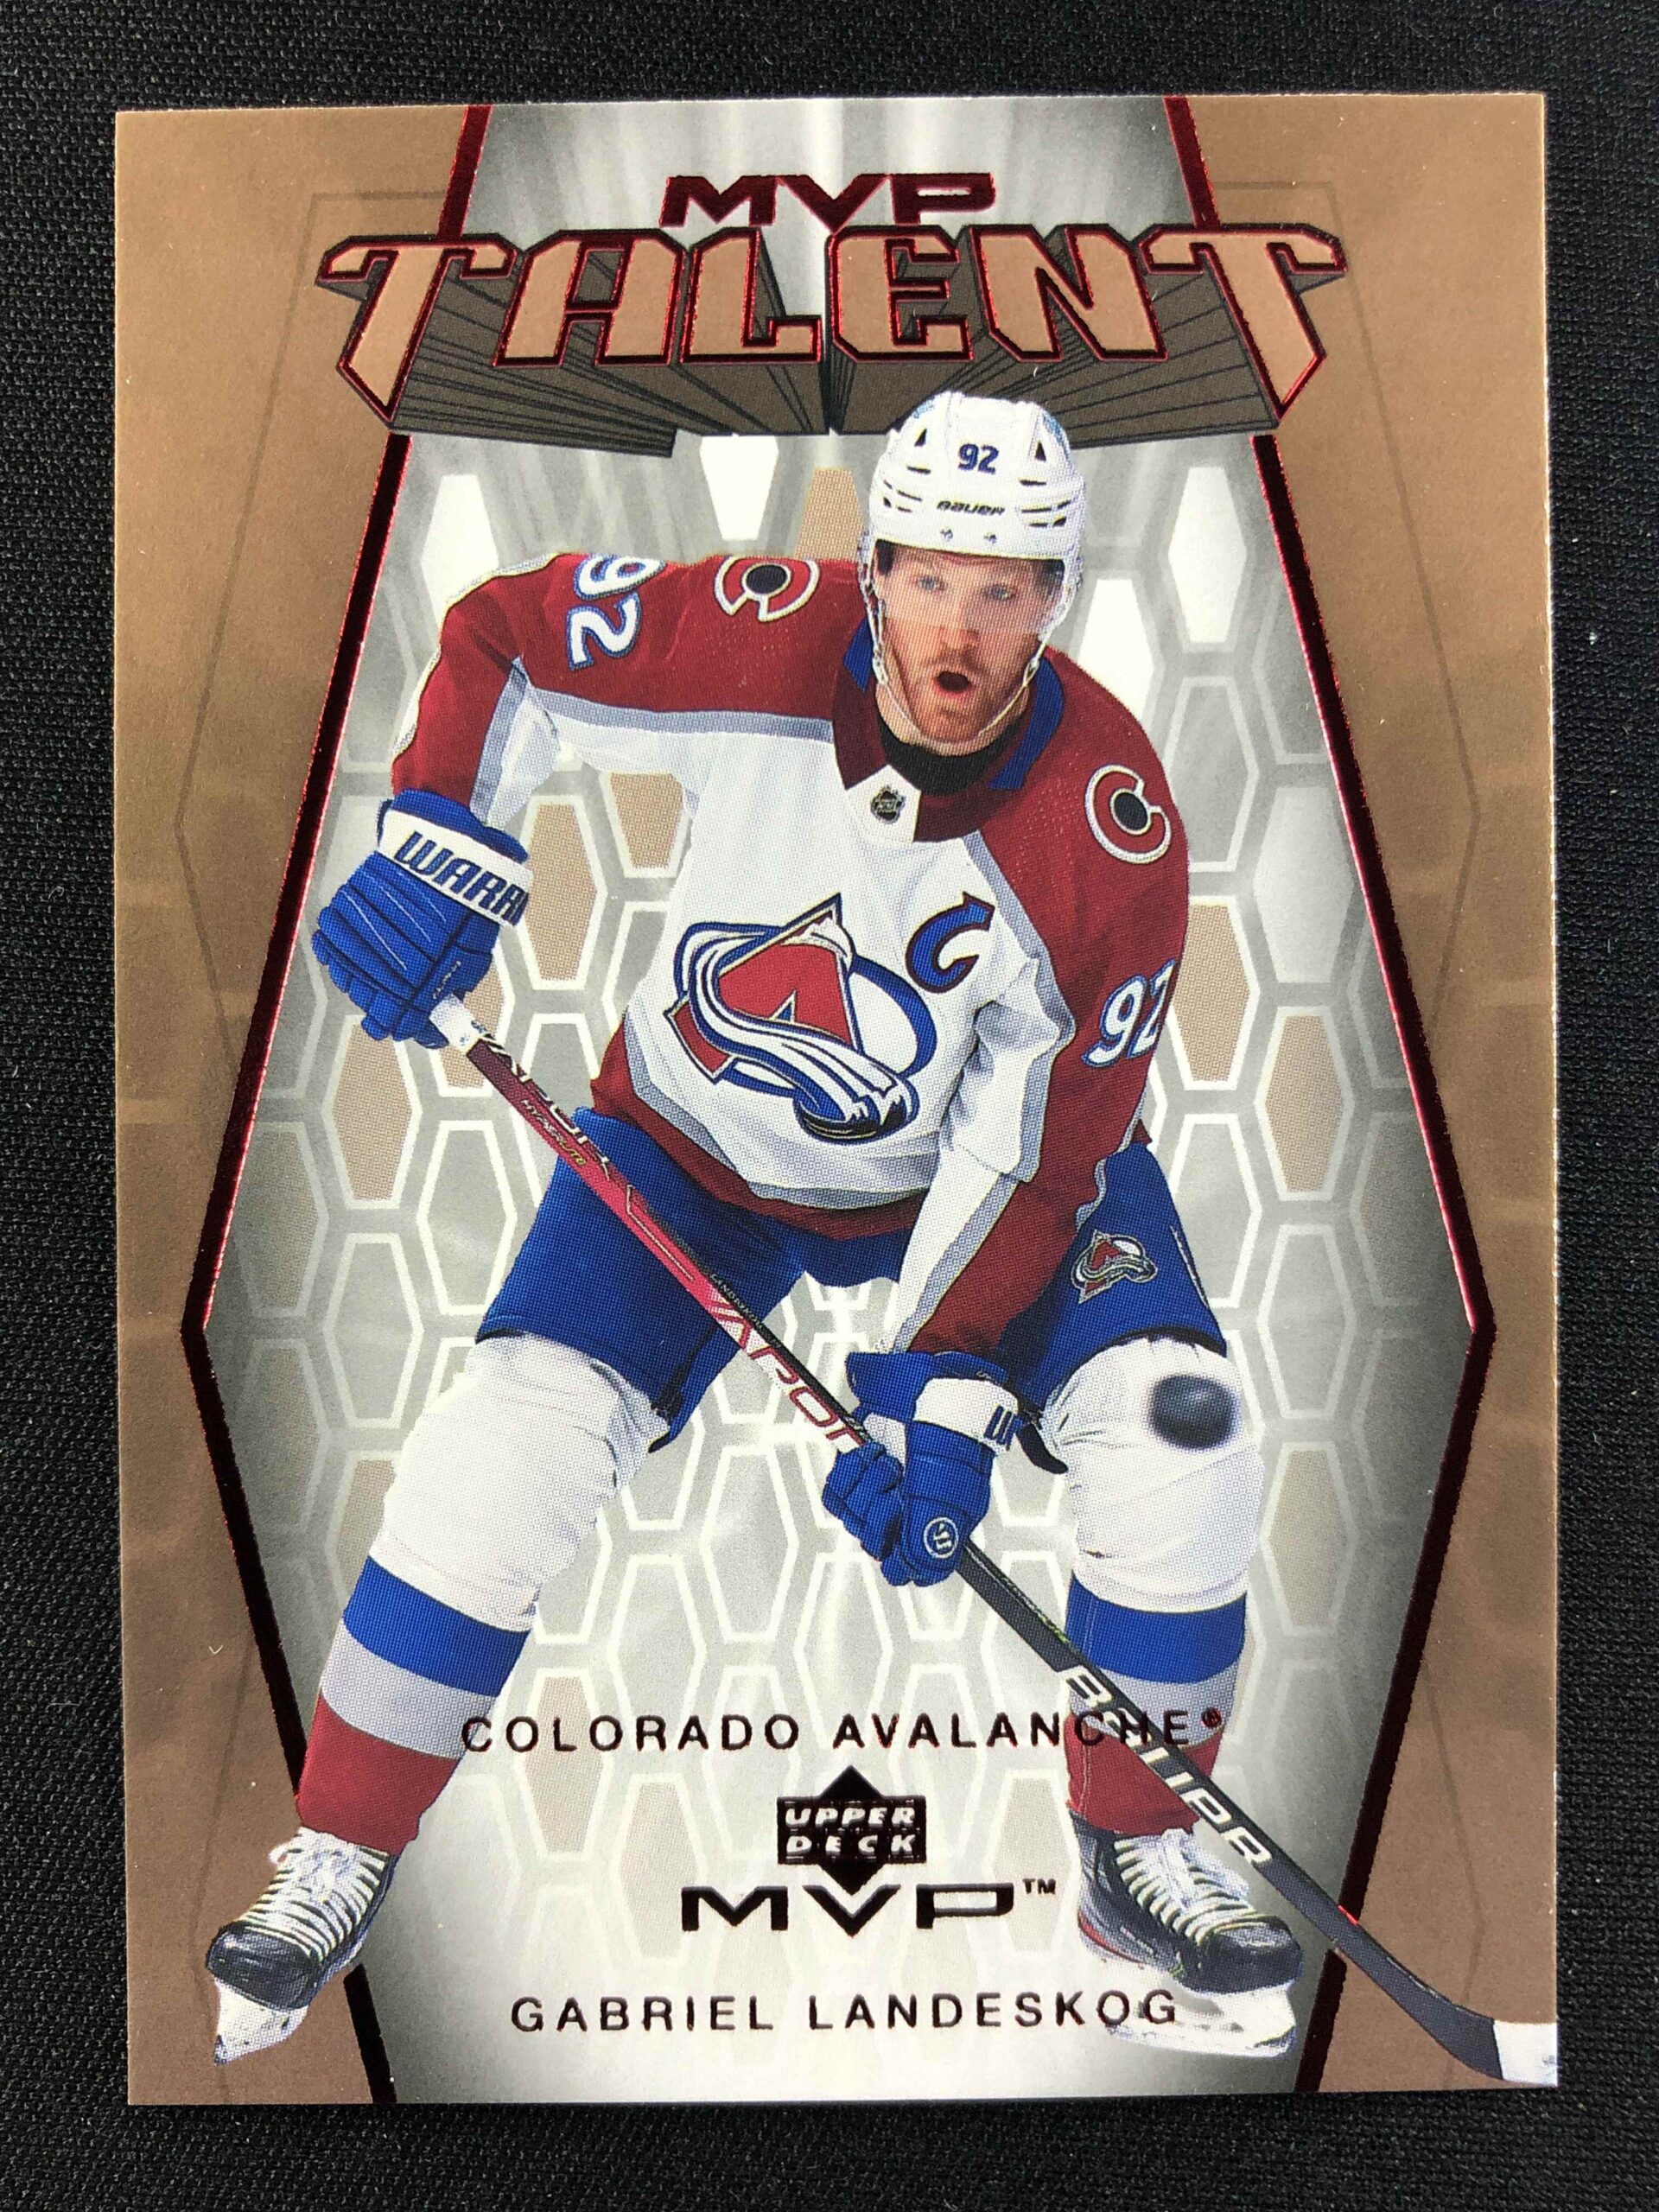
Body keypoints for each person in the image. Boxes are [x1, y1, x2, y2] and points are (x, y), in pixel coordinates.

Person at [207, 392, 1300, 2065]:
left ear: (1056, 600)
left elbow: (1038, 1145)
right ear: (875, 571)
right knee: (507, 1441)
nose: (959, 631)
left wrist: (940, 1395)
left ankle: (1137, 1849)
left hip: (982, 1181)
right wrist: (445, 841)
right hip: (688, 1149)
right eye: (928, 580)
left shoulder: (1110, 823)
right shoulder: (759, 634)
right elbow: (508, 632)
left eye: (1004, 592)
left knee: (1179, 1432)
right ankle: (342, 1847)